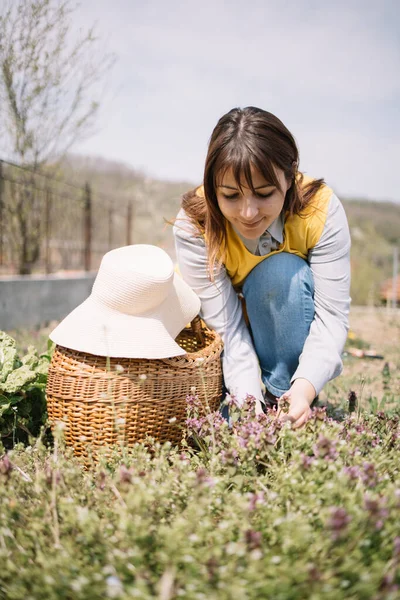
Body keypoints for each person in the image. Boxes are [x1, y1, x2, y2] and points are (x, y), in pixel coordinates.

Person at [173, 106, 351, 428]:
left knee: (280, 273)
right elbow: (225, 325)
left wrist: (304, 388)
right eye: (230, 196)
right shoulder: (194, 225)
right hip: (230, 340)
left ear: (290, 174)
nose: (248, 212)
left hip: (286, 330)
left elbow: (332, 317)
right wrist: (246, 402)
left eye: (264, 193)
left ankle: (284, 399)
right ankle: (252, 405)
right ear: (212, 187)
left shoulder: (320, 211)